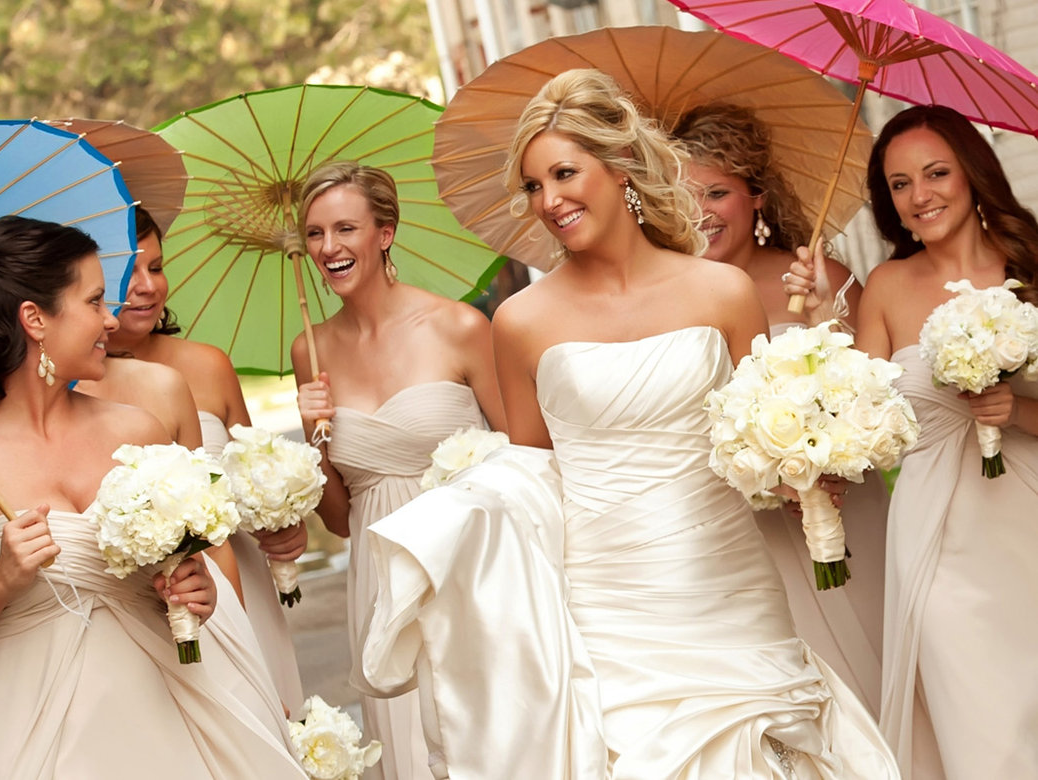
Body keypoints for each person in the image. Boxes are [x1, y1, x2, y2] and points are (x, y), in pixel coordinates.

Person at [363, 69, 899, 778]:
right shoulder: (522, 321)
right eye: (532, 186)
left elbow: (760, 432)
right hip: (606, 603)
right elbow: (535, 478)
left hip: (728, 581)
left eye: (563, 173)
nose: (548, 201)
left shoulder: (721, 291)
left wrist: (808, 461)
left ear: (619, 170)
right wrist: (463, 521)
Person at [0, 215, 305, 778]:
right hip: (35, 733)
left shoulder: (139, 433)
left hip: (173, 712)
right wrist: (1, 581)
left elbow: (200, 567)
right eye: (93, 302)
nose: (111, 320)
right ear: (35, 319)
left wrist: (197, 590)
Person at [785, 103, 1038, 779]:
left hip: (1030, 518)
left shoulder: (1031, 264)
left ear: (972, 172)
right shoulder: (889, 288)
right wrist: (816, 324)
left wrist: (1014, 410)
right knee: (979, 719)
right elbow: (860, 416)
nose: (919, 196)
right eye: (899, 184)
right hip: (937, 541)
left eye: (934, 173)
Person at [293, 160, 506, 780]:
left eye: (345, 229)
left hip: (470, 567)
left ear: (384, 233)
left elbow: (524, 457)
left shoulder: (461, 327)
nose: (328, 248)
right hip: (379, 576)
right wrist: (316, 435)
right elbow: (339, 520)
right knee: (409, 750)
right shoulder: (310, 350)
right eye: (314, 234)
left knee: (490, 738)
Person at [673, 103, 888, 716]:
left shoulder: (820, 276)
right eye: (684, 195)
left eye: (717, 191)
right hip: (738, 528)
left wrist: (825, 317)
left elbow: (879, 394)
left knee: (871, 666)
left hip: (842, 507)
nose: (700, 212)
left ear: (756, 196)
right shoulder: (666, 299)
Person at [100, 206, 304, 711]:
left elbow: (256, 475)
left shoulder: (207, 366)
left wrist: (281, 525)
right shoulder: (73, 390)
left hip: (239, 586)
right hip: (148, 606)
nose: (148, 286)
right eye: (129, 273)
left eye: (158, 267)